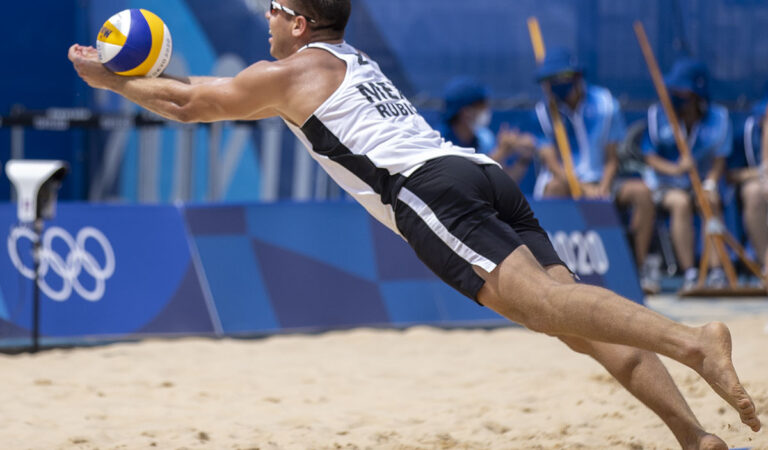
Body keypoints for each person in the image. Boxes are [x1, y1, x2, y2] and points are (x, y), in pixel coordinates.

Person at [68, 1, 760, 447]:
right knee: (576, 323)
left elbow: (190, 103)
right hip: (480, 172)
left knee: (552, 307)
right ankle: (694, 438)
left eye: (276, 10)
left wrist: (114, 81)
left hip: (428, 191)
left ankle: (695, 341)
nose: (268, 21)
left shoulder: (293, 73)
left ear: (301, 23)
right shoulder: (353, 60)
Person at [532, 48, 659, 294]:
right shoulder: (542, 112)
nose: (554, 87)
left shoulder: (605, 104)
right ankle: (554, 271)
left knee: (642, 193)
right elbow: (552, 163)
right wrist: (580, 187)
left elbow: (612, 158)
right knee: (554, 190)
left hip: (603, 179)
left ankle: (638, 270)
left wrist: (602, 186)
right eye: (550, 81)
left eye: (560, 79)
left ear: (576, 76)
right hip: (565, 181)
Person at [641, 59, 732, 291]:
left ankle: (714, 272)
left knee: (709, 201)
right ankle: (690, 272)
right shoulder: (658, 114)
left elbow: (719, 161)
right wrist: (677, 169)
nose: (677, 95)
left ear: (697, 94)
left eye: (683, 91)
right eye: (675, 90)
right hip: (664, 184)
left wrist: (710, 183)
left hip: (700, 182)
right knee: (680, 203)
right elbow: (649, 157)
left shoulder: (719, 118)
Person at [439, 77, 536, 184]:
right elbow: (465, 182)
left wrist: (523, 159)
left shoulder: (485, 138)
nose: (487, 108)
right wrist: (501, 152)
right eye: (482, 105)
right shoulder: (439, 143)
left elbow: (502, 184)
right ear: (466, 112)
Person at [728, 97, 768, 276]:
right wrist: (760, 173)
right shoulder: (747, 132)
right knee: (753, 192)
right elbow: (730, 174)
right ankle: (765, 263)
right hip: (758, 185)